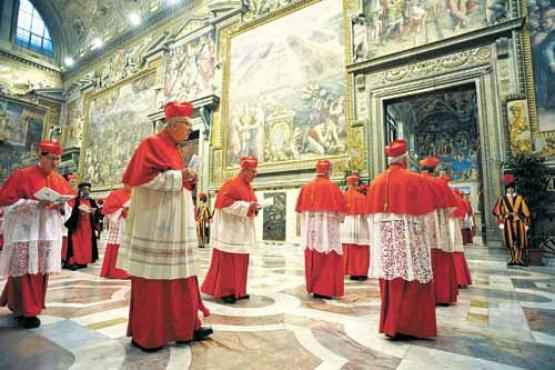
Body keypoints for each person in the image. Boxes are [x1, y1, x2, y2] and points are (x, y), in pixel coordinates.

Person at [118, 101, 212, 352]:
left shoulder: (174, 149)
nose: (189, 129)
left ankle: (185, 327)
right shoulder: (151, 145)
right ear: (172, 125)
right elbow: (142, 180)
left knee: (182, 274)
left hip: (176, 221)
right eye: (187, 124)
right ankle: (149, 333)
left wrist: (187, 177)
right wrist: (180, 176)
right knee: (154, 277)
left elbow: (174, 179)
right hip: (156, 221)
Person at [366, 139, 437, 338]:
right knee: (412, 277)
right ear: (405, 157)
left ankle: (391, 325)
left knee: (391, 278)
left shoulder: (376, 181)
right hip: (410, 242)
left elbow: (371, 218)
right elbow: (426, 216)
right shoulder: (414, 179)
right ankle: (409, 325)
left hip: (387, 246)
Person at [0, 140, 75, 328]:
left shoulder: (59, 180)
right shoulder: (22, 175)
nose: (55, 163)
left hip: (46, 233)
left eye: (58, 159)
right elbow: (6, 203)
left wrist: (61, 205)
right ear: (40, 156)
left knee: (40, 273)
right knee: (23, 272)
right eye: (52, 159)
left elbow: (69, 206)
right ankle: (26, 311)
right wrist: (34, 204)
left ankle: (28, 307)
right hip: (26, 232)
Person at [201, 156, 259, 304]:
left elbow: (249, 205)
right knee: (228, 263)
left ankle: (239, 290)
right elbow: (224, 204)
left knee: (241, 261)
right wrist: (247, 207)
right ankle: (225, 291)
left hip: (241, 232)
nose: (255, 174)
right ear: (244, 171)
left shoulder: (248, 187)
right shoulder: (231, 185)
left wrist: (254, 207)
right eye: (253, 171)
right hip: (229, 232)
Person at [296, 160, 346, 299]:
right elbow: (341, 213)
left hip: (310, 232)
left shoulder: (306, 187)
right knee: (328, 254)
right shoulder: (332, 187)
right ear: (329, 171)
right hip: (327, 231)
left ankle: (314, 287)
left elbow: (300, 212)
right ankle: (325, 289)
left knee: (313, 254)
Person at [419, 156, 459, 306]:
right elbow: (451, 209)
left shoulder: (415, 181)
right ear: (434, 169)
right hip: (438, 227)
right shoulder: (440, 183)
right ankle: (442, 296)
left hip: (420, 227)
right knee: (441, 260)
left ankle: (424, 297)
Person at [493, 174, 531, 266]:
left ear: (514, 189)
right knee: (510, 241)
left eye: (511, 188)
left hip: (518, 221)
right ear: (506, 189)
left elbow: (526, 211)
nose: (510, 190)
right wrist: (501, 220)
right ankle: (513, 259)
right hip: (508, 222)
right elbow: (497, 210)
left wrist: (526, 222)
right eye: (508, 188)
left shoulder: (519, 198)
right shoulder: (502, 199)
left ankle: (519, 259)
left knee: (520, 241)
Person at [341, 173, 370, 281]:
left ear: (348, 183)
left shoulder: (342, 196)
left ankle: (351, 272)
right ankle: (361, 272)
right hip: (360, 224)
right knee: (360, 248)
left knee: (348, 248)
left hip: (346, 225)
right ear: (357, 183)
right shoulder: (361, 197)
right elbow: (366, 214)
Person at [64, 182, 100, 269]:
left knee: (86, 244)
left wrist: (94, 212)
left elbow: (98, 212)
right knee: (76, 244)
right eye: (84, 189)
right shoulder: (75, 200)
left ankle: (83, 261)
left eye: (88, 190)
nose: (86, 191)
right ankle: (74, 261)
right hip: (77, 226)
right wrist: (79, 212)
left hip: (88, 227)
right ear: (80, 190)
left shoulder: (91, 201)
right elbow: (69, 211)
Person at [100, 187, 131, 279]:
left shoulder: (139, 193)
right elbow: (107, 209)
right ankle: (117, 272)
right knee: (118, 245)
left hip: (133, 224)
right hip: (120, 224)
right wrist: (122, 210)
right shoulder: (115, 194)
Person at [448, 188, 473, 288]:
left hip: (450, 226)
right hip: (455, 226)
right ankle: (461, 279)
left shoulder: (452, 199)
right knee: (457, 252)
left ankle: (458, 279)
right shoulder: (460, 200)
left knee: (454, 251)